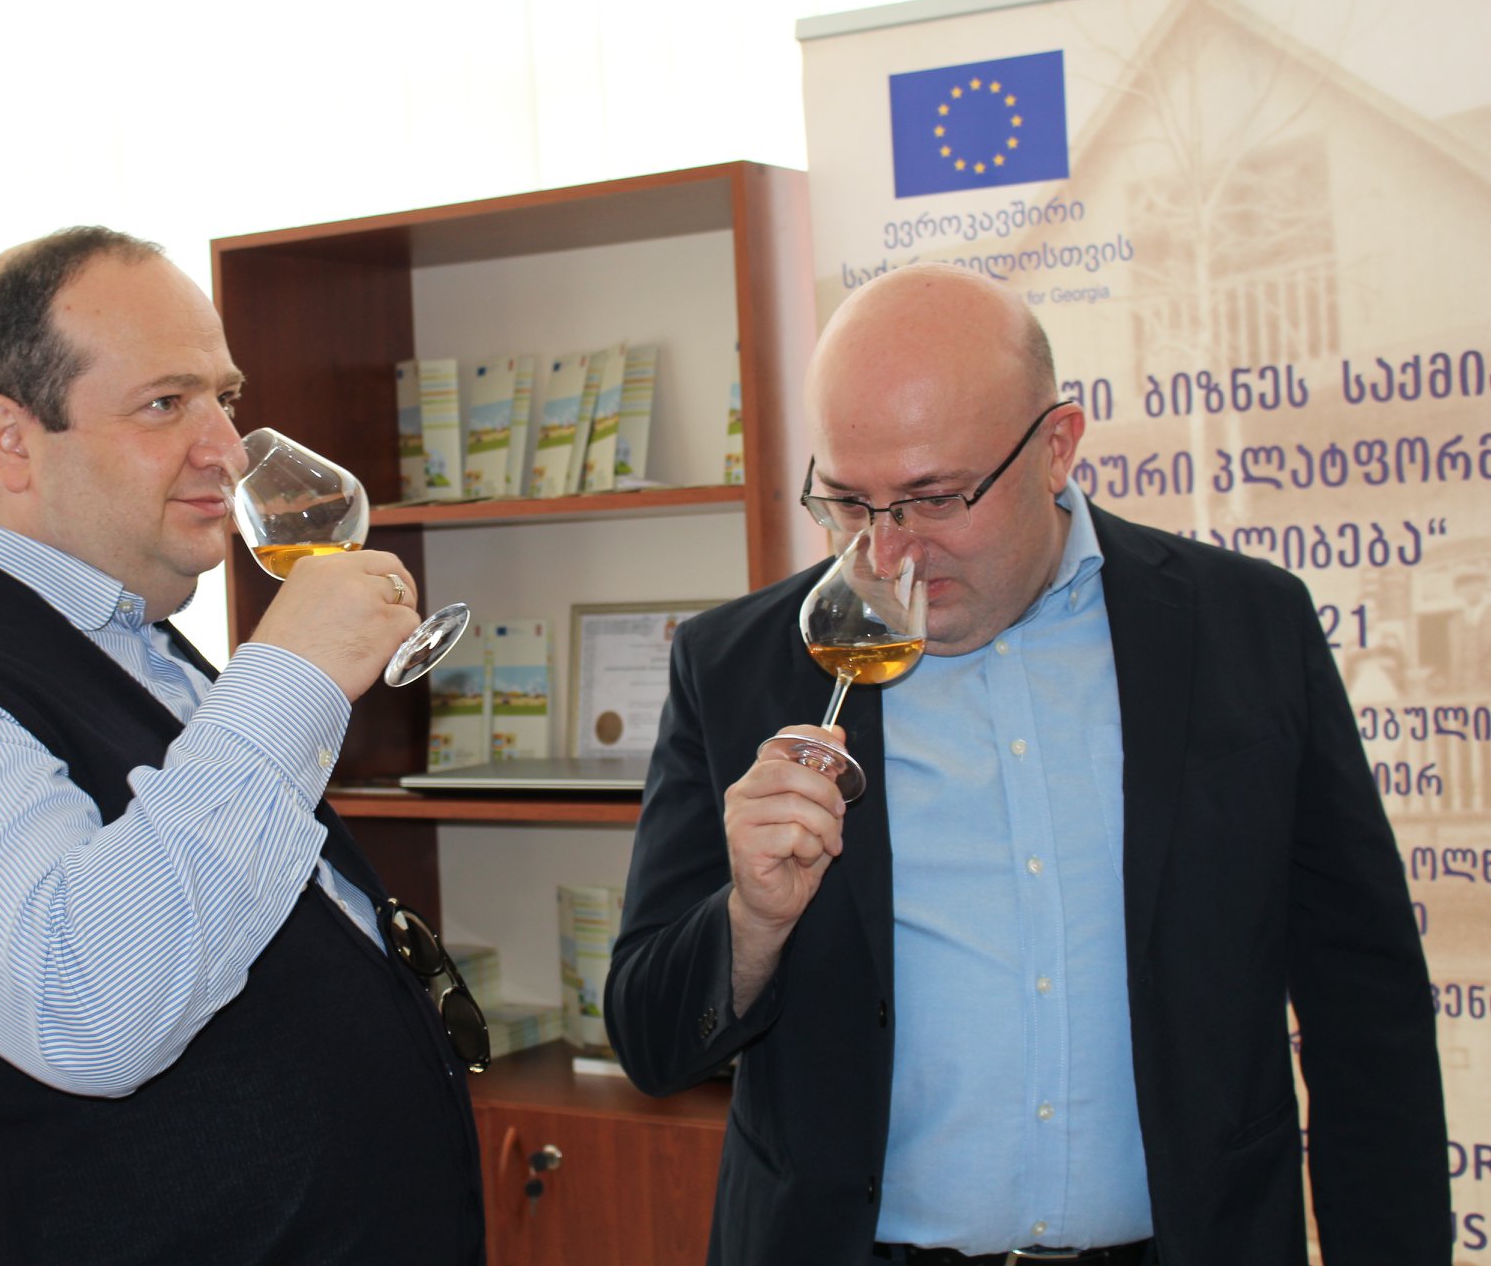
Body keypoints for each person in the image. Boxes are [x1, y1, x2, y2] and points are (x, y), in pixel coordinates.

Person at [604, 264, 1449, 1265]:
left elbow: (1365, 1009)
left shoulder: (1244, 630)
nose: (889, 553)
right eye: (849, 502)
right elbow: (652, 1044)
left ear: (1057, 448)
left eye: (934, 498)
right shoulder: (738, 666)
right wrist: (751, 922)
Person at [0, 227, 485, 1264]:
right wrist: (290, 677)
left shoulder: (137, 644)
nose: (228, 449)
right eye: (165, 403)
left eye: (225, 398)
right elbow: (89, 1009)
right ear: (10, 440)